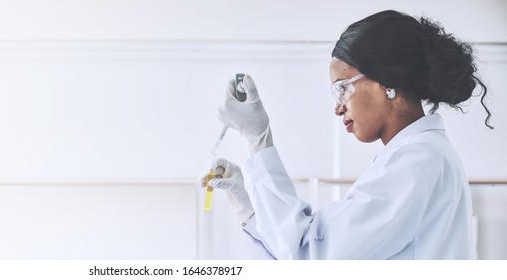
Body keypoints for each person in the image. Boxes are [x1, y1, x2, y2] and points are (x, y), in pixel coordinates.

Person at [200, 10, 493, 259]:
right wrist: (250, 208)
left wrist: (258, 140)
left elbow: (311, 254)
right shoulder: (421, 156)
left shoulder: (416, 163)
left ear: (387, 82)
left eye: (343, 87)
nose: (338, 108)